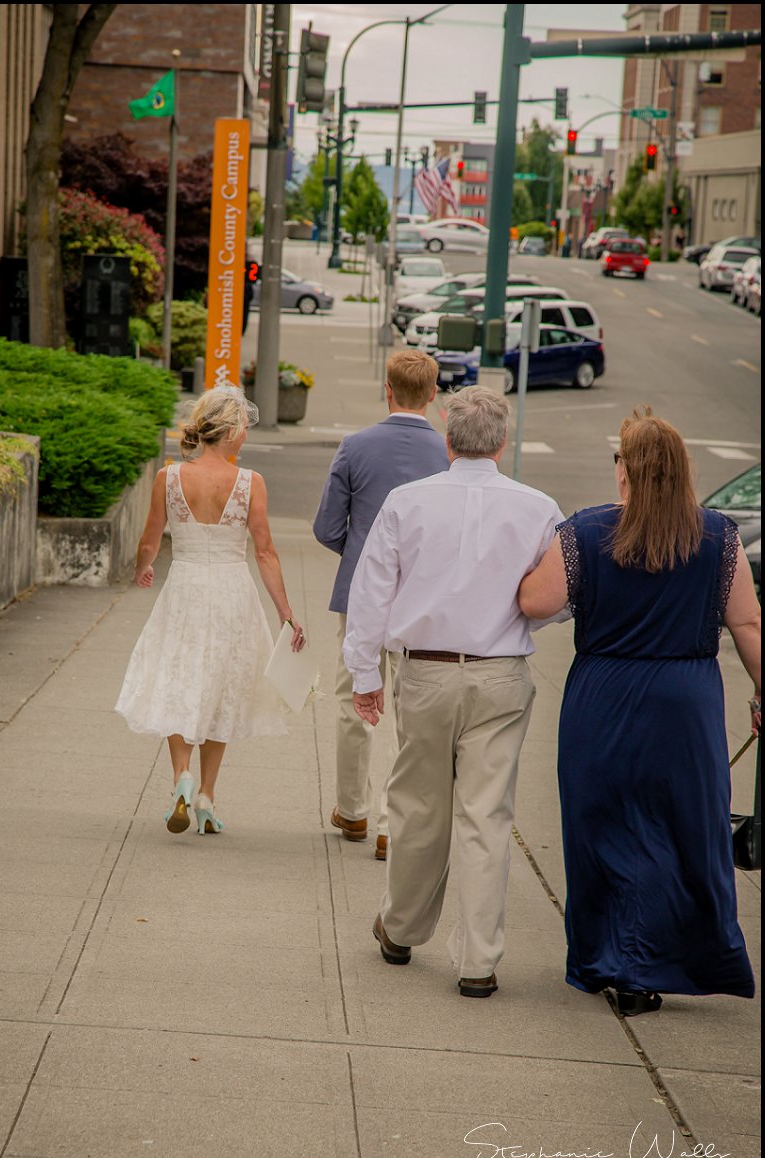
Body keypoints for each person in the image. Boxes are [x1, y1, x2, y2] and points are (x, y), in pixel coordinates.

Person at [517, 409, 760, 1015]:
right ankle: (660, 960)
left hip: (605, 694)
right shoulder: (718, 537)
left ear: (625, 472)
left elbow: (535, 601)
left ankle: (615, 959)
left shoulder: (587, 532)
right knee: (680, 829)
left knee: (605, 826)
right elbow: (748, 622)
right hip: (686, 701)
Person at [344, 385, 561, 999]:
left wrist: (366, 676)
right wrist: (521, 623)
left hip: (426, 670)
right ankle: (479, 961)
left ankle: (403, 929)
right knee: (486, 815)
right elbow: (558, 597)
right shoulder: (539, 506)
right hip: (499, 672)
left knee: (417, 806)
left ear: (447, 439)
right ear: (501, 441)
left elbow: (371, 595)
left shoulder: (406, 502)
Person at [116, 386, 306, 834]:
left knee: (178, 678)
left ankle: (182, 777)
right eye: (245, 427)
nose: (246, 435)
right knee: (222, 685)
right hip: (231, 592)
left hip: (184, 588)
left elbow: (149, 539)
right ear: (233, 430)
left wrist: (143, 570)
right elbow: (265, 553)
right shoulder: (250, 482)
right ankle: (206, 794)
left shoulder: (170, 477)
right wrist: (286, 612)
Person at [312, 349, 450, 860]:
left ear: (387, 389)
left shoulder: (355, 446)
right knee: (410, 711)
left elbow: (327, 527)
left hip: (360, 595)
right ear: (433, 393)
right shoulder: (448, 454)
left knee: (354, 700)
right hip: (424, 598)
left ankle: (353, 810)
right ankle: (396, 824)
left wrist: (362, 559)